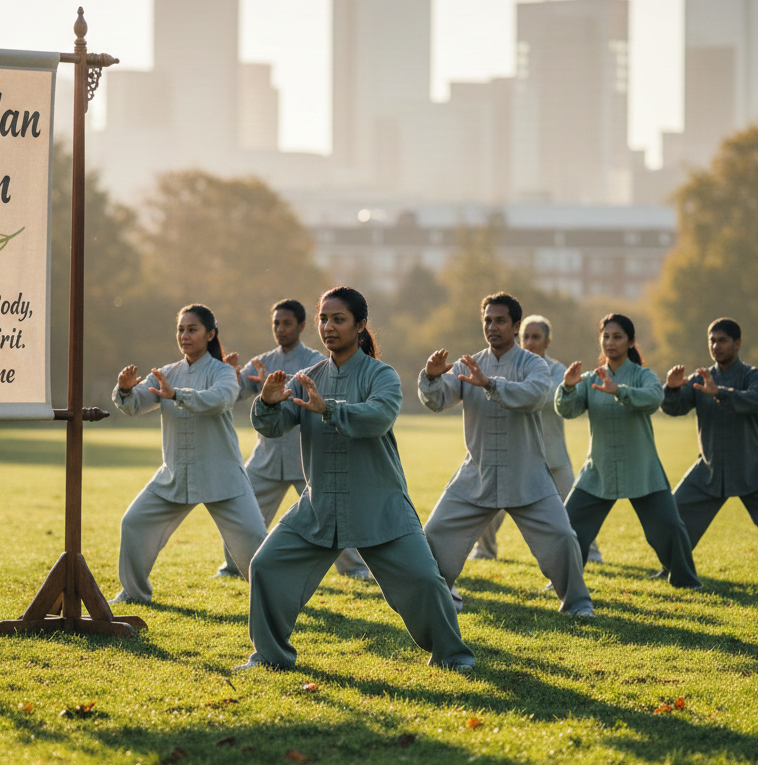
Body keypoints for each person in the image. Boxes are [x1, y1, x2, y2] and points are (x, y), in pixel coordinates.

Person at [239, 286, 474, 671]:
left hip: (379, 505)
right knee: (266, 565)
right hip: (320, 506)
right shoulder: (306, 377)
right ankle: (269, 657)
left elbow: (378, 416)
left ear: (361, 325)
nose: (328, 327)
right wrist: (266, 401)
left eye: (339, 319)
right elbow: (275, 426)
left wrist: (327, 407)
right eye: (323, 319)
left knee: (425, 581)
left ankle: (452, 656)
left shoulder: (382, 375)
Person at [420, 293, 595, 617]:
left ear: (515, 326)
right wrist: (431, 378)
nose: (492, 326)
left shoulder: (534, 364)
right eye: (487, 320)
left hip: (527, 474)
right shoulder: (468, 364)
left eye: (500, 320)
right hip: (478, 474)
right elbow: (438, 400)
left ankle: (577, 604)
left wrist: (489, 384)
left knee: (562, 536)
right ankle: (446, 598)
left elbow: (533, 396)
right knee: (433, 535)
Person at [109, 304, 269, 605]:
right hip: (175, 475)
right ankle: (133, 593)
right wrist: (126, 390)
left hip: (221, 475)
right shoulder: (166, 373)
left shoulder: (224, 372)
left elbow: (220, 401)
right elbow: (135, 405)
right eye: (180, 329)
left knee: (253, 538)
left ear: (210, 334)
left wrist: (177, 395)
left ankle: (275, 597)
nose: (184, 335)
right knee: (134, 522)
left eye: (192, 329)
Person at [215, 299, 371, 581]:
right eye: (276, 323)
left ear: (301, 326)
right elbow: (233, 394)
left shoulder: (315, 362)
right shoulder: (263, 362)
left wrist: (279, 389)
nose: (280, 329)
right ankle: (233, 567)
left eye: (287, 323)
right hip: (267, 458)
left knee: (329, 512)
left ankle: (354, 567)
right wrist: (229, 375)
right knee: (242, 509)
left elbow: (324, 399)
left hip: (305, 458)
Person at [557, 313, 701, 589]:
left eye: (617, 337)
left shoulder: (643, 375)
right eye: (606, 336)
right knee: (570, 527)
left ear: (631, 341)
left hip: (641, 467)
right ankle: (563, 580)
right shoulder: (589, 379)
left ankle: (685, 579)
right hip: (599, 468)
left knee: (669, 528)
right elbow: (568, 410)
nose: (610, 342)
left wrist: (618, 391)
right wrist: (567, 387)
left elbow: (655, 397)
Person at [660, 318, 758, 580]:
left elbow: (755, 400)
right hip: (709, 468)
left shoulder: (753, 375)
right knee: (672, 513)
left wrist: (720, 392)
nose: (716, 346)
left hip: (751, 466)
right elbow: (675, 408)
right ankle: (673, 568)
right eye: (712, 340)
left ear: (737, 343)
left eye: (722, 340)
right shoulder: (699, 378)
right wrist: (671, 389)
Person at [468, 315, 603, 566]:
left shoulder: (558, 370)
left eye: (536, 337)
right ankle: (485, 550)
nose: (529, 342)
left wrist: (517, 391)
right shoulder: (510, 366)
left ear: (547, 340)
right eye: (525, 337)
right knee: (488, 503)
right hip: (513, 454)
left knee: (572, 507)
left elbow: (550, 396)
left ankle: (592, 552)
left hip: (552, 456)